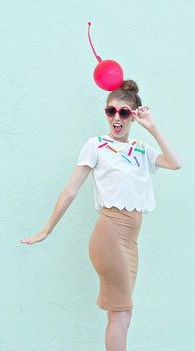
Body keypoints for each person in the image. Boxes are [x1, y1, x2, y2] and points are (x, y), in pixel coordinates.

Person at [20, 79, 183, 351]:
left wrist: (152, 127)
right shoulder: (96, 145)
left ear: (133, 115)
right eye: (111, 111)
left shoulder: (140, 149)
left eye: (124, 112)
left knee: (122, 314)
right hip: (109, 234)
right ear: (106, 112)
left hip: (130, 242)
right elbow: (70, 190)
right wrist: (47, 229)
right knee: (121, 313)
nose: (116, 118)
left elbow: (175, 163)